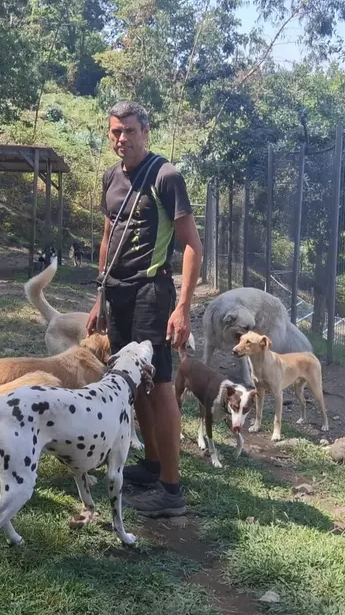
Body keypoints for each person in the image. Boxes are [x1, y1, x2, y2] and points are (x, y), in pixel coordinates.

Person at [86, 100, 203, 518]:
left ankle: (171, 491)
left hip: (152, 294)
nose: (122, 139)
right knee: (132, 383)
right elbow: (107, 236)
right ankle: (152, 466)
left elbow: (192, 245)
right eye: (115, 132)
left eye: (130, 131)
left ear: (145, 132)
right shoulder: (110, 178)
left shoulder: (166, 176)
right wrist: (99, 297)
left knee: (162, 386)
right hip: (115, 294)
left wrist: (183, 307)